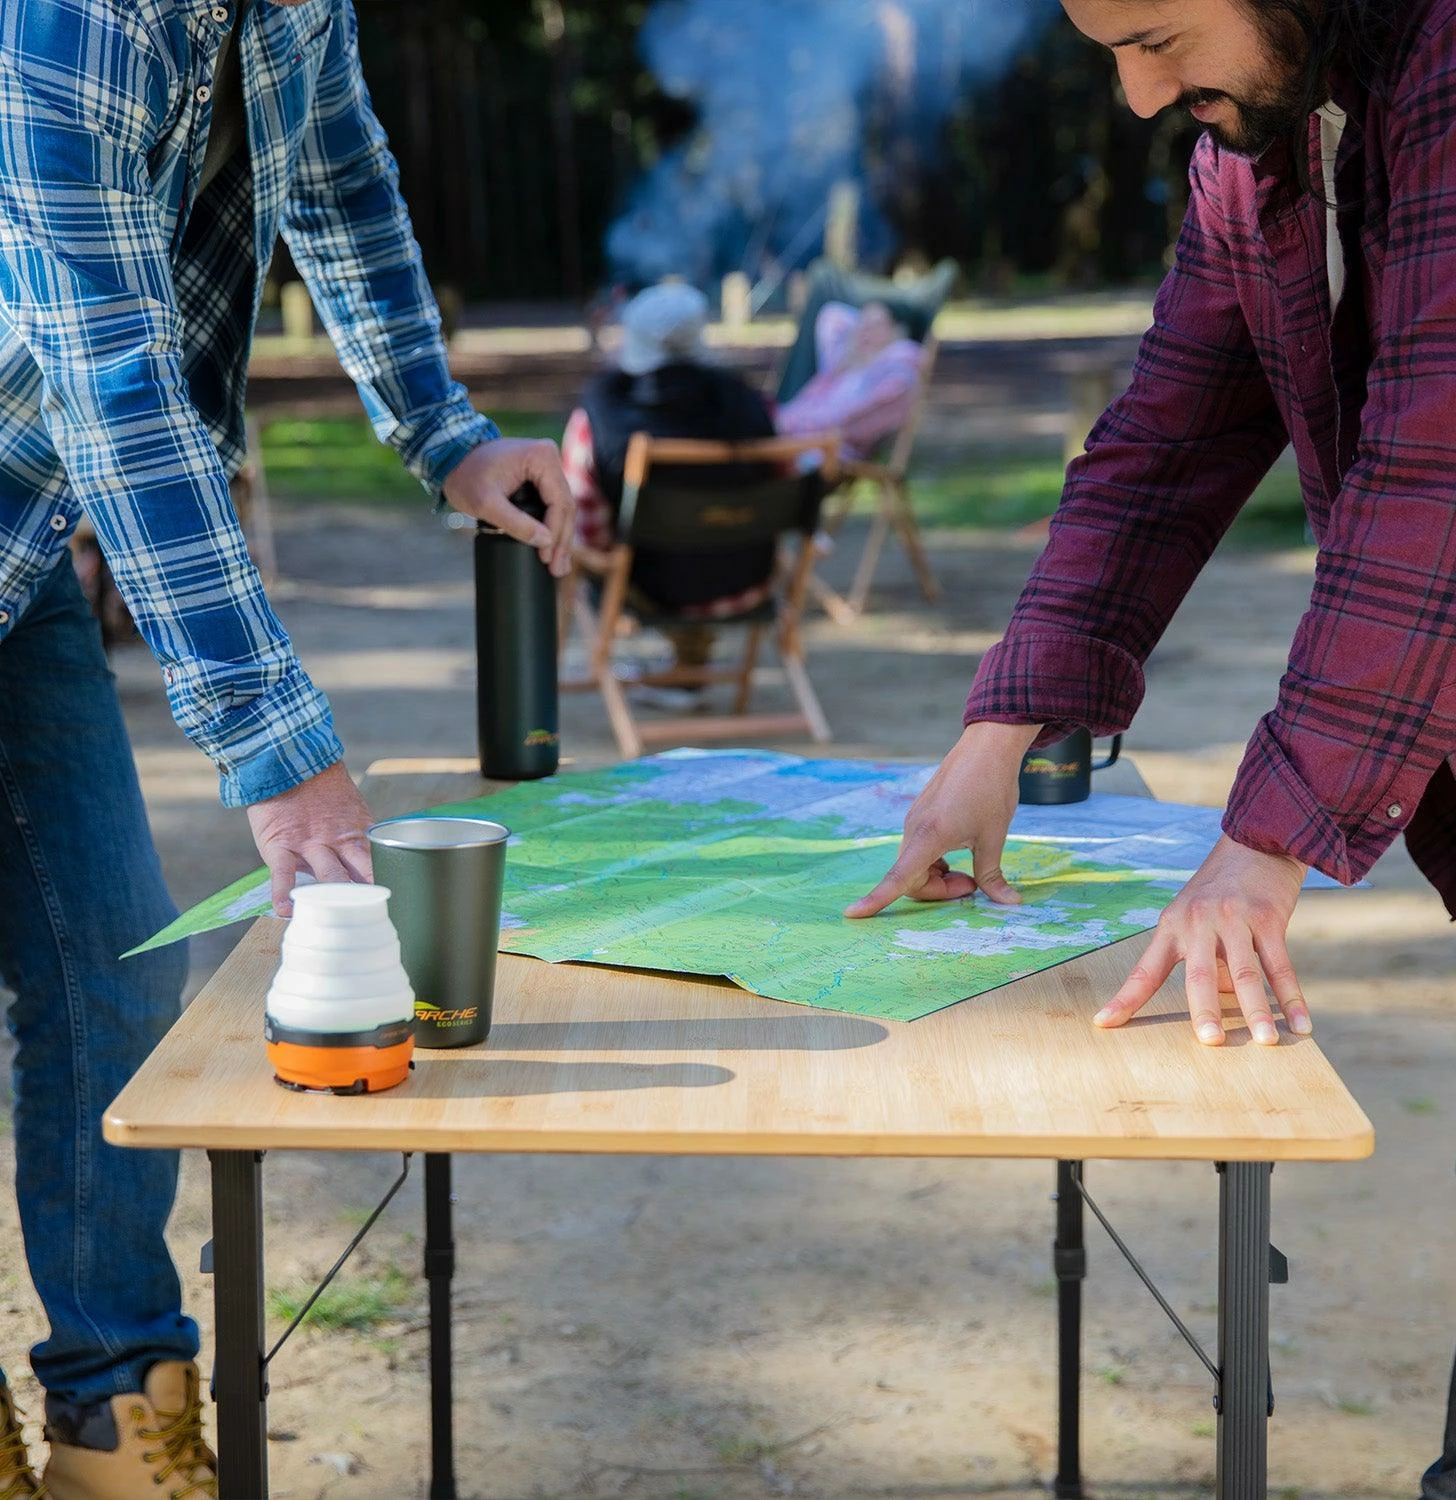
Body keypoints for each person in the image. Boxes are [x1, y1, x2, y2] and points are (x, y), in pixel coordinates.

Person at [846, 0, 1456, 1491]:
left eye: (1155, 36)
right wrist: (996, 731)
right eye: (1109, 52)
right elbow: (1163, 441)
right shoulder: (1264, 127)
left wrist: (1260, 849)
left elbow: (1452, 471)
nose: (1141, 97)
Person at [0, 3, 574, 1496]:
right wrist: (274, 740)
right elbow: (110, 369)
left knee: (114, 973)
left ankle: (116, 1419)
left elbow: (339, 176)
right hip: (53, 458)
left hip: (15, 547)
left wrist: (442, 431)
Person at [561, 282, 778, 700]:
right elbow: (781, 482)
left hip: (648, 590)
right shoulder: (753, 405)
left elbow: (588, 525)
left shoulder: (599, 416)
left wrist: (597, 560)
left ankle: (673, 669)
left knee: (565, 546)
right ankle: (688, 667)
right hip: (749, 582)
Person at [775, 300, 925, 459]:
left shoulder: (898, 373)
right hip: (793, 436)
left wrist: (788, 423)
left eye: (876, 325)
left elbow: (848, 423)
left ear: (897, 331)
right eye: (862, 323)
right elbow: (832, 314)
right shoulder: (845, 366)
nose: (865, 331)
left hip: (822, 450)